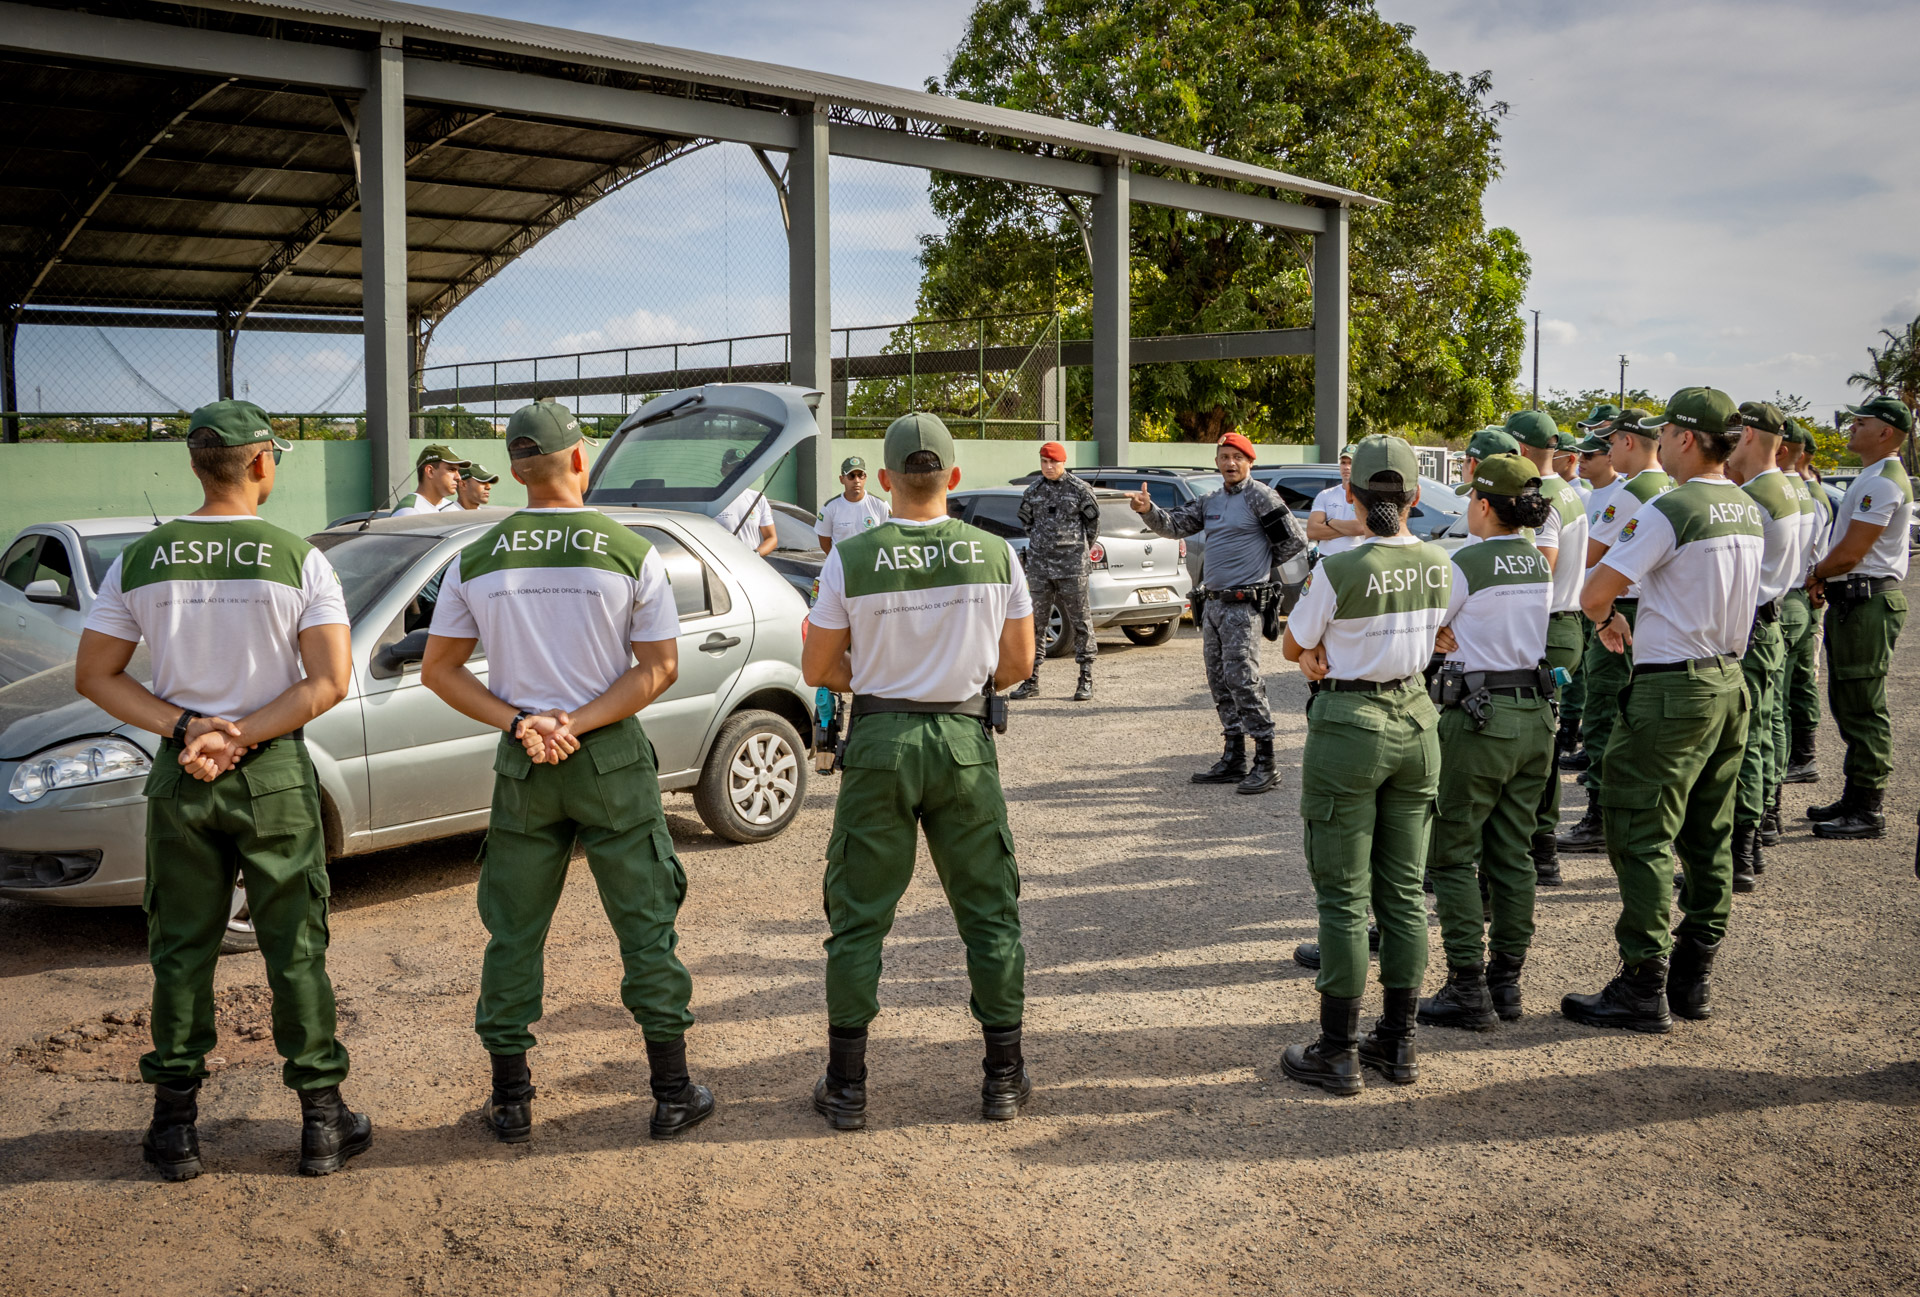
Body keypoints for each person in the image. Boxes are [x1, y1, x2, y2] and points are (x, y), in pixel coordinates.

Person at [73, 399, 367, 1181]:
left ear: (197, 465)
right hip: (269, 772)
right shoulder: (299, 557)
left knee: (180, 949)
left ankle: (174, 1129)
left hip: (181, 773)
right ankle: (322, 1123)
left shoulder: (140, 557)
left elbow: (95, 674)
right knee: (295, 947)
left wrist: (186, 728)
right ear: (263, 463)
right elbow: (330, 680)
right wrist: (242, 733)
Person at [420, 400, 713, 1143]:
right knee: (645, 924)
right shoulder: (628, 548)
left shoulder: (474, 558)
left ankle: (511, 1100)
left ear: (515, 471)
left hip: (524, 760)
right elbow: (659, 668)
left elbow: (440, 671)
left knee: (512, 930)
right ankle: (672, 1091)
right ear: (578, 458)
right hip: (607, 753)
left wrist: (524, 723)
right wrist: (577, 722)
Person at [801, 412, 1037, 1130]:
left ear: (882, 482)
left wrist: (876, 673)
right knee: (988, 912)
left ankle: (847, 1087)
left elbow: (818, 667)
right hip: (964, 737)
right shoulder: (997, 554)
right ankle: (1002, 1078)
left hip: (879, 740)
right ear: (954, 478)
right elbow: (1019, 665)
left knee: (858, 918)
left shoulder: (851, 555)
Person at [1562, 387, 1763, 1032]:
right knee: (1709, 834)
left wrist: (1607, 622)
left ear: (1682, 437)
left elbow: (1595, 591)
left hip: (1674, 687)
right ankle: (1692, 976)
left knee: (1639, 829)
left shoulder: (1672, 507)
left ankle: (1642, 983)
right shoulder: (1745, 505)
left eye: (1666, 430)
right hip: (1729, 682)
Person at [1279, 435, 1450, 1093]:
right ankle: (1399, 1044)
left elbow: (1297, 640)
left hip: (1351, 726)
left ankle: (1337, 1048)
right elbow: (1441, 632)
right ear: (1413, 497)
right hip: (1416, 719)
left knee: (1345, 896)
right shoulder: (1440, 561)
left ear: (1351, 495)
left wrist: (1311, 655)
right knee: (1404, 892)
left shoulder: (1341, 568)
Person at [1417, 454, 1557, 1030]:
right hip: (1535, 718)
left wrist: (1442, 634)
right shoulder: (1538, 561)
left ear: (1481, 503)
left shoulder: (1466, 561)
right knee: (1513, 852)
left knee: (1451, 853)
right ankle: (1507, 982)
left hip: (1479, 718)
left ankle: (1467, 985)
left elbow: (1427, 626)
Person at [1130, 431, 1307, 795]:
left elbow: (1294, 541)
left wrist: (1259, 566)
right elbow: (1175, 525)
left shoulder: (1261, 498)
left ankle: (1267, 760)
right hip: (1212, 605)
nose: (1230, 463)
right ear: (1217, 461)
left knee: (1243, 679)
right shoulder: (1211, 501)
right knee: (1220, 681)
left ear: (1249, 462)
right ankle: (1234, 756)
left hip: (1244, 605)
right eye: (1224, 456)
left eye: (1237, 457)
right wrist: (1148, 510)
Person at [1556, 409, 1670, 853]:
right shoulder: (1664, 486)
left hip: (1619, 606)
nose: (1601, 450)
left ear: (1626, 441)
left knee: (1604, 709)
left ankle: (1599, 816)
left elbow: (1588, 554)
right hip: (1646, 607)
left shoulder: (1634, 491)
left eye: (1609, 440)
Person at [1804, 395, 1915, 839]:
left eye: (1860, 422)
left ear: (1885, 432)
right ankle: (1855, 796)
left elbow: (1851, 553)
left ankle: (1868, 807)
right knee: (1848, 702)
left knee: (1863, 705)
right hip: (1854, 600)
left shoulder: (1883, 481)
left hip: (1867, 600)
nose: (1850, 427)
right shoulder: (1873, 476)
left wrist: (1814, 573)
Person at [1500, 410, 1589, 889]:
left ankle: (1539, 848)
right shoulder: (1569, 491)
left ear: (1519, 448)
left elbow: (1541, 570)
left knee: (1537, 745)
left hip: (1548, 625)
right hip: (1565, 624)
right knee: (1545, 739)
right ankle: (1542, 849)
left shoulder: (1543, 498)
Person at [1723, 402, 1807, 888]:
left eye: (1732, 435)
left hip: (1751, 625)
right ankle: (1751, 841)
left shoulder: (1755, 497)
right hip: (1769, 621)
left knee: (1743, 740)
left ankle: (1740, 846)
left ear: (1748, 435)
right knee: (1762, 729)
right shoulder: (1785, 487)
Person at [1011, 441, 1101, 701]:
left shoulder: (1080, 490)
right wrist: (1043, 547)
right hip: (1040, 567)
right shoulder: (1033, 491)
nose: (1049, 467)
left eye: (1053, 462)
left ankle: (1085, 679)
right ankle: (1031, 679)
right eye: (1044, 462)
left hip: (1072, 567)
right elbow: (1027, 523)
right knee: (1035, 625)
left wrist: (1076, 550)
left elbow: (1093, 526)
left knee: (1081, 623)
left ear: (1063, 463)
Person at [1558, 428, 1621, 771]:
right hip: (1584, 596)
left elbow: (1594, 554)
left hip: (1600, 600)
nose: (1581, 461)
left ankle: (1580, 740)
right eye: (1579, 455)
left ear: (1609, 456)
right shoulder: (1591, 497)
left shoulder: (1618, 495)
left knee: (1594, 679)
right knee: (1584, 672)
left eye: (1589, 455)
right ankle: (1579, 739)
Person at [1781, 422, 1833, 784]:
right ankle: (1802, 754)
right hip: (1804, 592)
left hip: (1799, 592)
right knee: (1800, 680)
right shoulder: (1807, 491)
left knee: (1793, 684)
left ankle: (1801, 756)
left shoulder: (1802, 493)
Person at [815, 455, 890, 554]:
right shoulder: (830, 508)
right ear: (842, 479)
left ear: (865, 478)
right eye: (851, 476)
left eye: (860, 475)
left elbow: (889, 536)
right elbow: (824, 541)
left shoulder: (880, 505)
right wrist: (839, 561)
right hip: (843, 567)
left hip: (872, 566)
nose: (856, 480)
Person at [1306, 444, 1364, 557]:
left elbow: (1360, 527)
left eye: (1351, 463)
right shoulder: (1325, 495)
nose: (1346, 467)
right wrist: (1349, 530)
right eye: (1343, 462)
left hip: (1355, 558)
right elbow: (1312, 531)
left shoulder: (1365, 495)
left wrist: (1330, 522)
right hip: (1327, 558)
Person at [391, 443, 469, 516]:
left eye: (458, 471)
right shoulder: (410, 512)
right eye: (451, 470)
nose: (458, 477)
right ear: (430, 471)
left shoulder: (447, 508)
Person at [715, 480, 777, 556]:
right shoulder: (712, 500)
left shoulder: (758, 498)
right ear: (723, 470)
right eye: (729, 467)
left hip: (749, 564)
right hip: (719, 563)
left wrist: (755, 554)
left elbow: (771, 538)